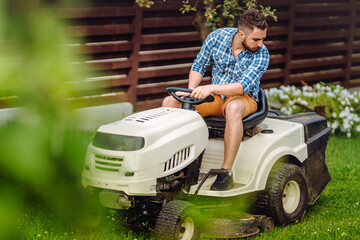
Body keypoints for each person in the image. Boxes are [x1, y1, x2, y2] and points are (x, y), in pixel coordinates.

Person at [162, 9, 270, 190]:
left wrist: (210, 87)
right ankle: (176, 167)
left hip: (244, 98)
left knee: (233, 108)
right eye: (256, 39)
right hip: (216, 98)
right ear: (241, 34)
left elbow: (242, 87)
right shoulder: (216, 38)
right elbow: (199, 65)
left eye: (263, 39)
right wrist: (191, 91)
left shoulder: (262, 54)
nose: (261, 44)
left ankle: (226, 172)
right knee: (170, 103)